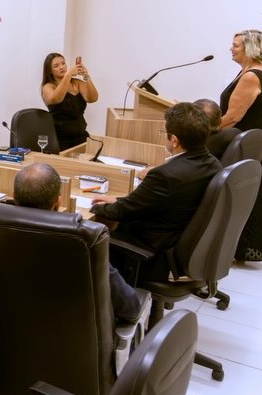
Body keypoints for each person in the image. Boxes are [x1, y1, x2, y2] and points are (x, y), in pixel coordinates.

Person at [91, 102, 222, 281]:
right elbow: (146, 202)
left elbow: (122, 212)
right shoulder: (213, 164)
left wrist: (92, 208)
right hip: (180, 248)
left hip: (151, 254)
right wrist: (119, 200)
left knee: (87, 237)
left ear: (174, 140)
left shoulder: (166, 175)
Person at [12, 163, 141, 321]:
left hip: (6, 332)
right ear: (58, 202)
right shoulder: (84, 241)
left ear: (14, 196)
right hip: (70, 334)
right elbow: (130, 308)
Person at [219, 29, 262, 261]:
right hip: (252, 146)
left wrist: (201, 131)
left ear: (250, 48)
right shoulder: (251, 72)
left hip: (247, 148)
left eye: (236, 45)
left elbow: (232, 118)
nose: (231, 48)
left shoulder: (251, 76)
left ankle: (238, 249)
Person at [40, 53, 99, 151]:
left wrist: (86, 76)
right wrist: (68, 75)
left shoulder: (77, 83)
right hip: (60, 140)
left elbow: (92, 98)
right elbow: (57, 98)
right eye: (56, 66)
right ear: (49, 70)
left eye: (63, 63)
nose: (62, 67)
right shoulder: (48, 87)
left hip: (81, 136)